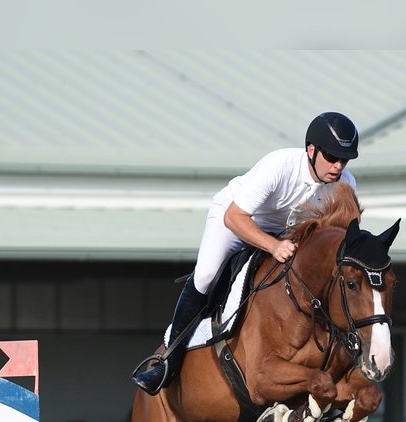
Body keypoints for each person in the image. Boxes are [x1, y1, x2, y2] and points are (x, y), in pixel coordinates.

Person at [131, 112, 361, 395]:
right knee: (206, 274)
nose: (338, 166)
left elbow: (343, 239)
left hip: (286, 233)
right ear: (311, 150)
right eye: (332, 157)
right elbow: (235, 216)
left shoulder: (345, 184)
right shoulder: (280, 165)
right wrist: (273, 246)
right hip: (236, 219)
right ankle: (168, 361)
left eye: (345, 159)